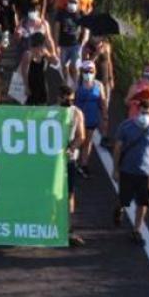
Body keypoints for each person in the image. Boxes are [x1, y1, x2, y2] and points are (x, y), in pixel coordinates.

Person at [112, 98, 149, 246]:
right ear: (137, 111)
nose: (145, 116)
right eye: (142, 112)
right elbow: (117, 148)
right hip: (127, 170)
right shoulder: (126, 126)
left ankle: (137, 230)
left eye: (148, 113)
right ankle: (119, 207)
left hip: (146, 173)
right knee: (124, 199)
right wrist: (115, 169)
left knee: (143, 202)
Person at [59, 85, 87, 247]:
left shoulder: (77, 113)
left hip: (68, 159)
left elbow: (81, 136)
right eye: (66, 99)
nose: (69, 102)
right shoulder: (52, 111)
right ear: (59, 97)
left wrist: (70, 149)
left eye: (71, 99)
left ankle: (68, 227)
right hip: (53, 160)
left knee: (69, 193)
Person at [72, 62, 108, 173]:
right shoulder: (76, 85)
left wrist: (104, 116)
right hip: (78, 119)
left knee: (88, 141)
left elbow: (102, 101)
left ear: (95, 72)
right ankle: (73, 161)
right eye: (86, 71)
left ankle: (84, 164)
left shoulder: (99, 85)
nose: (88, 74)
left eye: (91, 71)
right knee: (77, 140)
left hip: (92, 117)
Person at [54, 0, 88, 81]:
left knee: (75, 67)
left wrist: (82, 43)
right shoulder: (61, 14)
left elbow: (86, 30)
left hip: (76, 46)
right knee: (64, 66)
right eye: (71, 1)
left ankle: (75, 86)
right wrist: (56, 45)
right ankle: (66, 82)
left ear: (78, 4)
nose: (72, 3)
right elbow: (56, 29)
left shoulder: (81, 14)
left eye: (74, 2)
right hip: (63, 45)